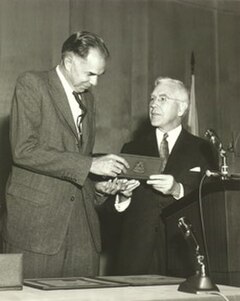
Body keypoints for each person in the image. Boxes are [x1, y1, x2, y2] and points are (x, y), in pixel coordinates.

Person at [2, 31, 133, 279]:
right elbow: (23, 150)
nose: (94, 83)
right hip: (34, 229)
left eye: (99, 75)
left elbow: (77, 162)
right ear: (69, 61)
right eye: (90, 74)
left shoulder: (89, 100)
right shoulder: (32, 83)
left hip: (82, 232)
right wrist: (91, 164)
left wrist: (100, 187)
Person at [111, 77, 218, 275]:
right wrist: (123, 195)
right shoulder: (132, 148)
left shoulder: (203, 149)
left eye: (162, 99)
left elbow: (211, 202)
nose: (153, 104)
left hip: (183, 254)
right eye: (152, 99)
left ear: (181, 109)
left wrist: (178, 189)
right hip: (136, 256)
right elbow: (118, 208)